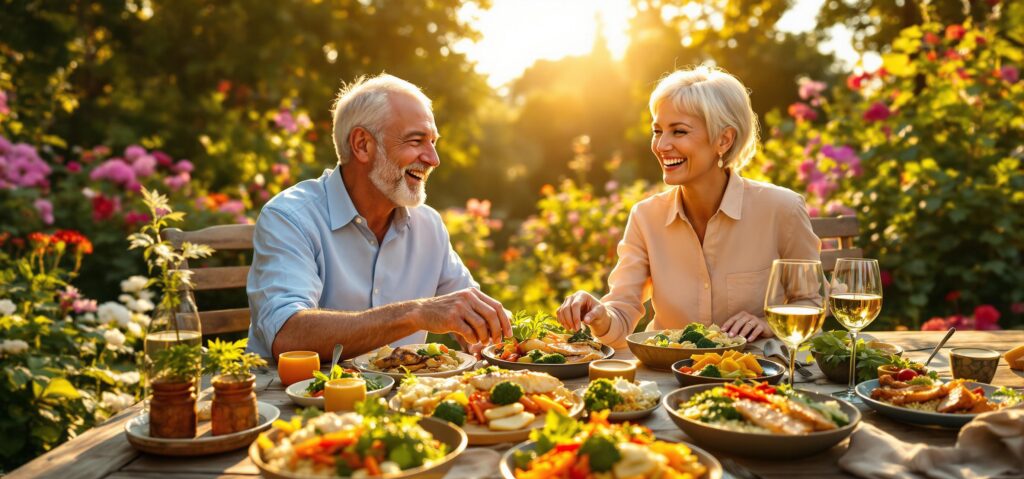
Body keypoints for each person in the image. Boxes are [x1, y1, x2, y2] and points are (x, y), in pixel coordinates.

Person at [247, 73, 511, 360]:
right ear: (362, 144)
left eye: (433, 142)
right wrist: (416, 313)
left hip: (403, 402)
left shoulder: (429, 225)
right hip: (296, 400)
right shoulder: (289, 218)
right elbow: (288, 334)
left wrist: (492, 332)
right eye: (416, 140)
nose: (433, 159)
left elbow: (474, 316)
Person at [557, 65, 820, 346]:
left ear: (724, 139)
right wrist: (599, 315)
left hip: (757, 379)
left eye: (679, 132)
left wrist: (768, 324)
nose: (661, 145)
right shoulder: (646, 218)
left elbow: (811, 302)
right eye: (657, 131)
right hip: (669, 380)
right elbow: (621, 314)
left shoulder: (782, 209)